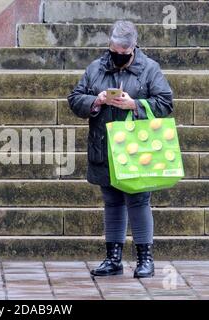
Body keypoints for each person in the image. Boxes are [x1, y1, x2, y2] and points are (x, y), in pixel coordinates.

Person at [67, 20, 173, 278]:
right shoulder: (95, 68)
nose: (118, 57)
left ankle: (145, 259)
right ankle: (113, 259)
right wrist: (97, 100)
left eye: (124, 54)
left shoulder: (149, 69)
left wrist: (135, 105)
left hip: (137, 149)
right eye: (115, 51)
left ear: (133, 48)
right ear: (109, 46)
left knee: (138, 201)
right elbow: (75, 99)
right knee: (112, 202)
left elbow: (165, 103)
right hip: (104, 147)